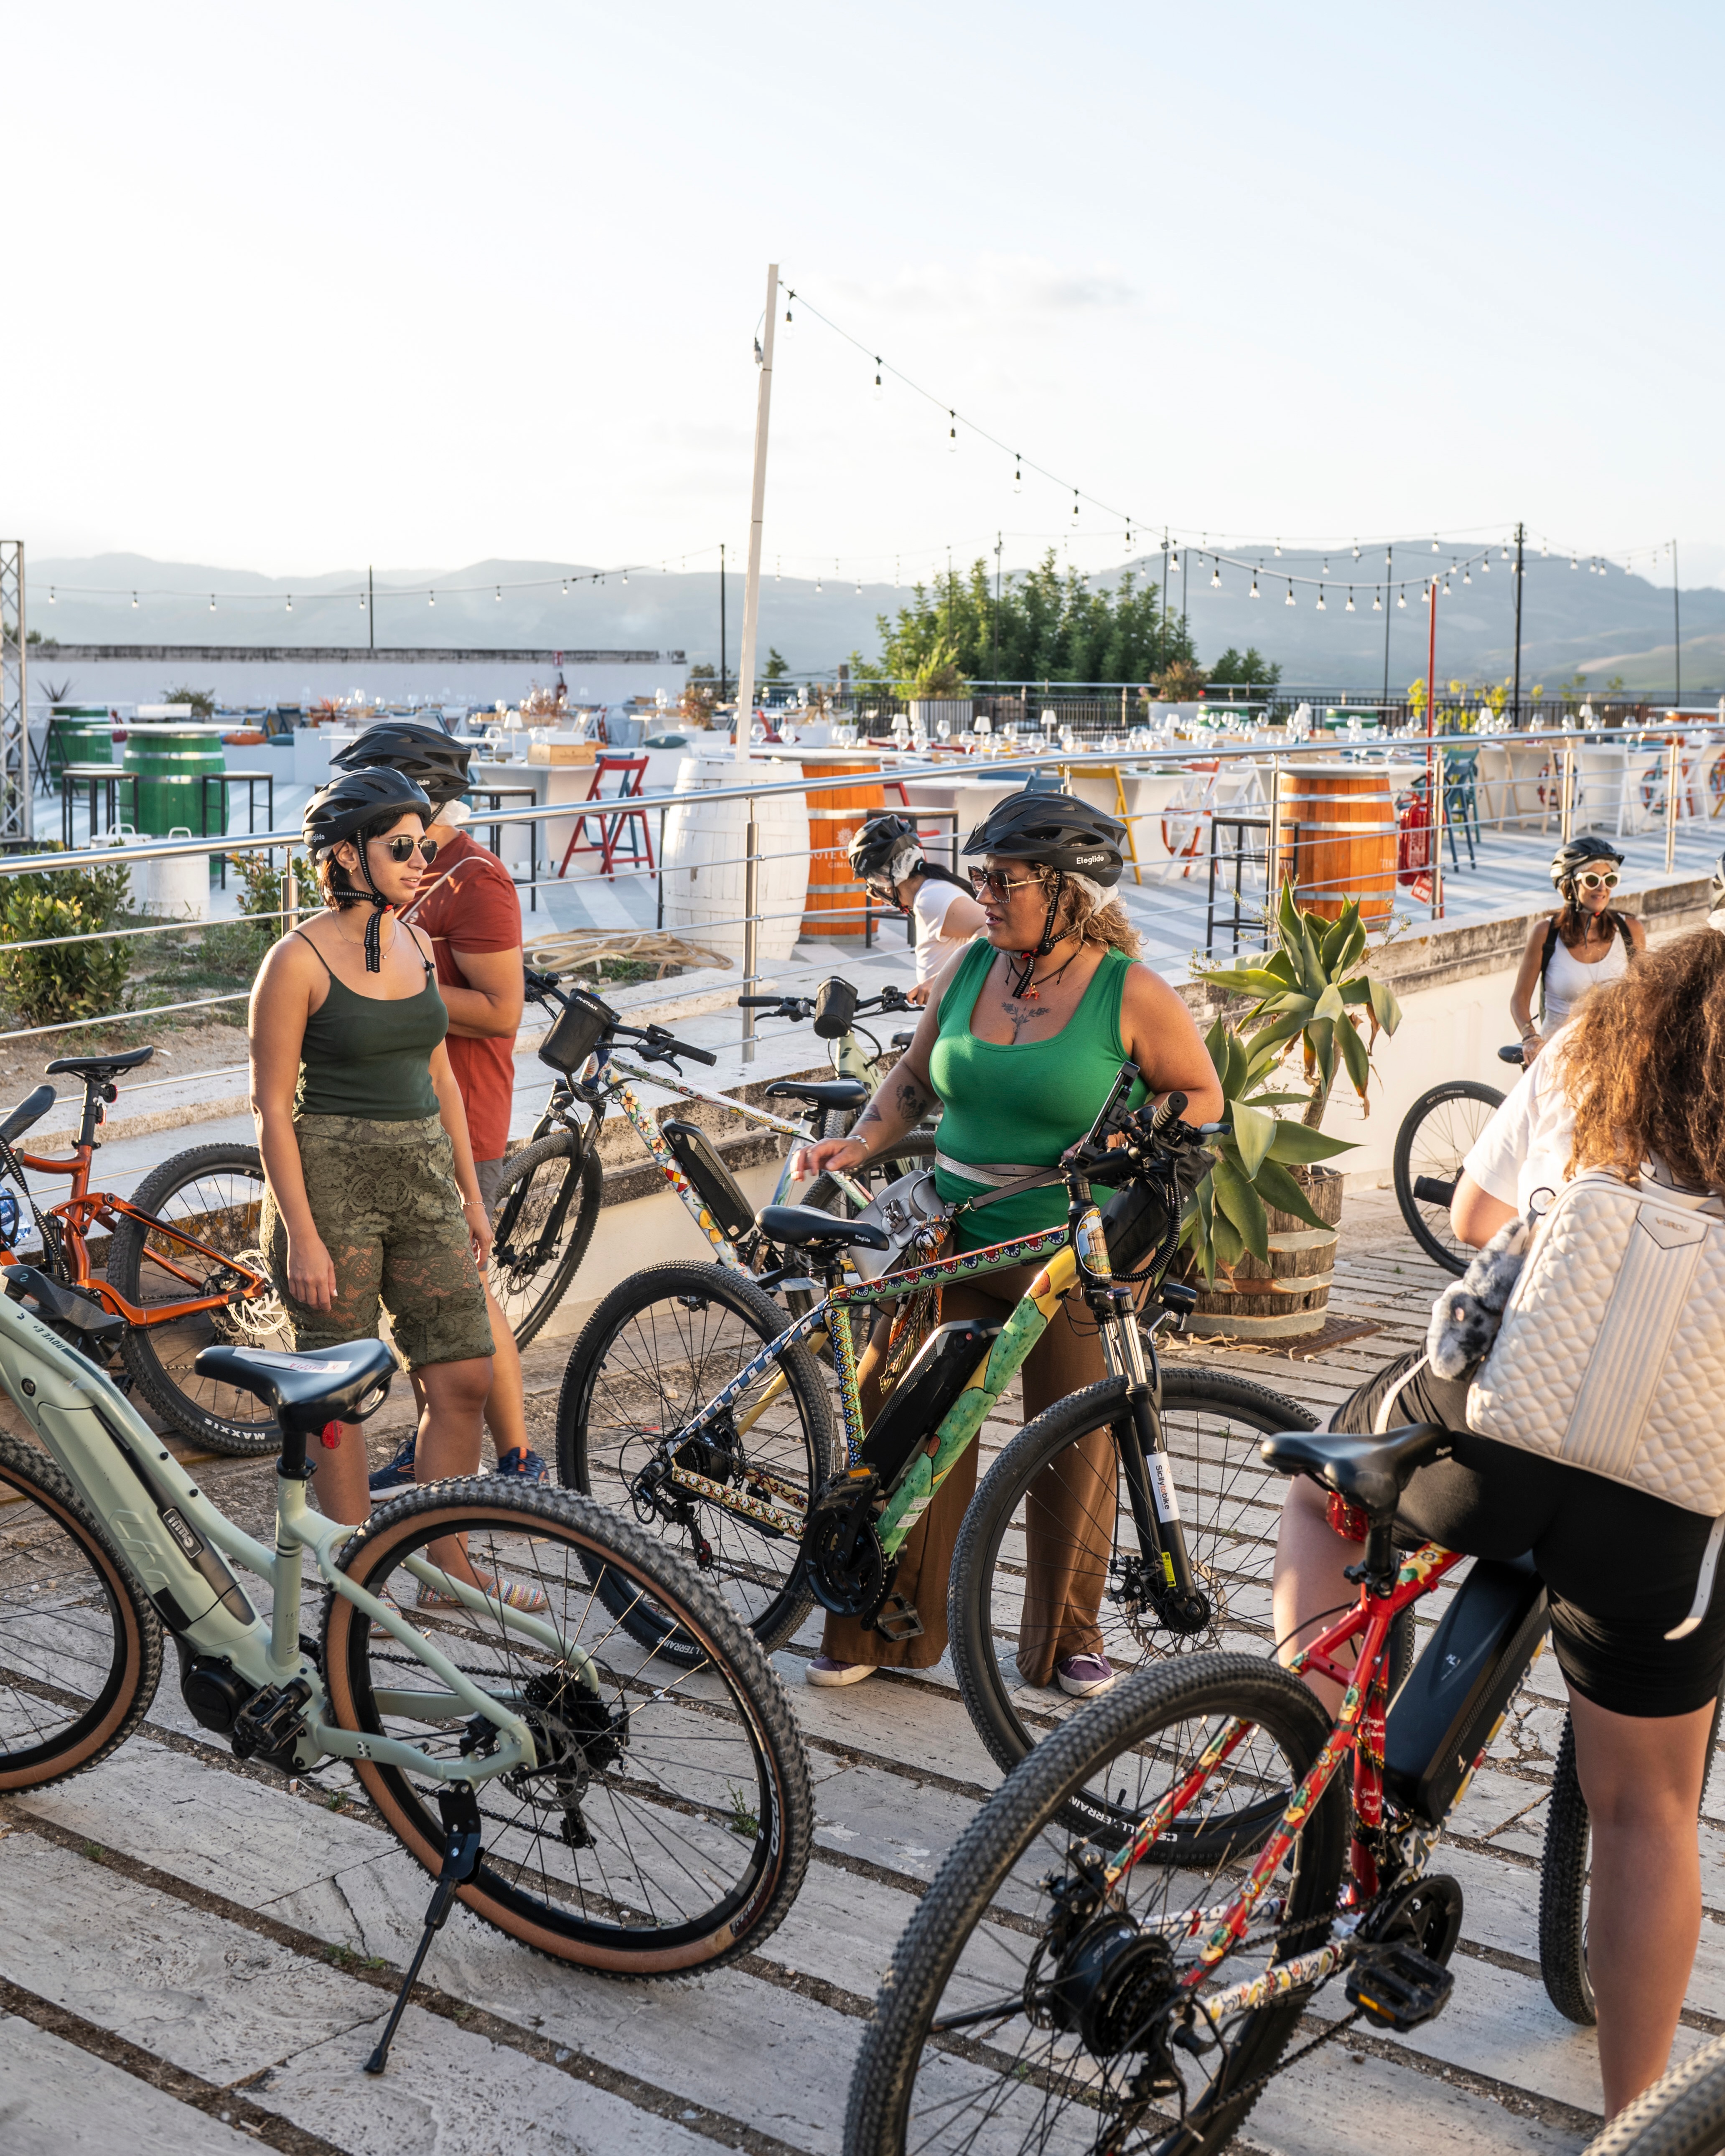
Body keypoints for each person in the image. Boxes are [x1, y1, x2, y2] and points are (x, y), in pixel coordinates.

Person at [1273, 925, 1725, 2116]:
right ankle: (1633, 2124)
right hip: (1663, 1502)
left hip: (1494, 1444)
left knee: (1324, 1499)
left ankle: (1316, 1766)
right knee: (1646, 1811)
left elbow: (1477, 1217)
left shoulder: (1587, 1045)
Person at [792, 789, 1223, 1692]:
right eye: (981, 875)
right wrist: (859, 1141)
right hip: (948, 1241)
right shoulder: (971, 970)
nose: (982, 892)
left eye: (1003, 879)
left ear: (1069, 893)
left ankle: (1065, 1638)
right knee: (905, 1427)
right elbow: (911, 1077)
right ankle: (881, 1628)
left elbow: (1201, 1094)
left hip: (1064, 1257)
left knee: (1076, 1448)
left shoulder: (1129, 992)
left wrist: (1137, 1134)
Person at [249, 770, 541, 1609]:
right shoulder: (294, 961)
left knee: (463, 1377)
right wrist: (301, 1234)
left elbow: (443, 1079)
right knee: (338, 1392)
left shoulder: (413, 944)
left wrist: (471, 1198)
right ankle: (354, 1589)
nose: (423, 859)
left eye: (426, 842)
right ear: (346, 855)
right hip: (331, 1187)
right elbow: (271, 1110)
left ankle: (444, 1569)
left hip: (423, 1181)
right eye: (402, 847)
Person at [324, 720, 542, 1492]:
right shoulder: (404, 872)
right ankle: (438, 1455)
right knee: (440, 1312)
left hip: (463, 1112)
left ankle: (516, 1457)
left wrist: (391, 986)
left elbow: (501, 1008)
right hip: (403, 1110)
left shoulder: (475, 879)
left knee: (467, 1303)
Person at [1509, 833, 1644, 1065]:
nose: (1602, 888)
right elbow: (1519, 1000)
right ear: (1570, 885)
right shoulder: (1545, 933)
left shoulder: (1630, 930)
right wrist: (1530, 1037)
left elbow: (1645, 997)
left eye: (1610, 880)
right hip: (1558, 1057)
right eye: (1592, 880)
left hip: (1614, 1059)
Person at [847, 812, 990, 1004]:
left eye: (870, 883)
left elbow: (989, 927)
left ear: (882, 879)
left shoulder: (931, 898)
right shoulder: (930, 892)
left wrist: (943, 979)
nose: (870, 891)